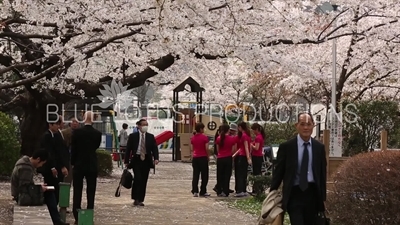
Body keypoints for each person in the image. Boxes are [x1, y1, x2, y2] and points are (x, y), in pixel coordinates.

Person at [270, 112, 327, 225]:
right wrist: (272, 192)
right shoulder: (287, 147)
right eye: (302, 124)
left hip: (313, 194)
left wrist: (323, 198)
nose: (305, 127)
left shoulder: (319, 148)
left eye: (308, 124)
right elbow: (279, 172)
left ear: (313, 125)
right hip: (294, 193)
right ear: (296, 125)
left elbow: (322, 173)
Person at [11, 149, 68, 225]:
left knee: (48, 192)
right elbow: (24, 188)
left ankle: (56, 219)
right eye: (42, 163)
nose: (41, 166)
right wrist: (40, 189)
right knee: (49, 194)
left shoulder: (26, 163)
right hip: (22, 197)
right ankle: (56, 220)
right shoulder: (25, 167)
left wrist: (39, 187)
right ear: (38, 159)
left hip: (22, 194)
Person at [71, 111, 102, 224]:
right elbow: (96, 146)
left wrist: (73, 162)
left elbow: (73, 149)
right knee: (91, 190)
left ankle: (77, 215)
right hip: (91, 164)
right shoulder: (97, 134)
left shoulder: (77, 132)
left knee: (77, 190)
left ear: (83, 119)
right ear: (93, 120)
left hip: (79, 164)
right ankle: (89, 213)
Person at [124, 119, 159, 206]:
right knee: (137, 178)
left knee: (144, 180)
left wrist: (156, 158)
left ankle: (141, 199)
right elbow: (128, 149)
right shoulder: (133, 136)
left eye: (146, 124)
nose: (145, 126)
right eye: (143, 124)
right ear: (139, 126)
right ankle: (135, 198)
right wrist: (126, 161)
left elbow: (154, 148)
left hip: (146, 160)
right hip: (136, 159)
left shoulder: (150, 137)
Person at [39, 115, 69, 203]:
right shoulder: (47, 136)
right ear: (50, 125)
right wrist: (52, 167)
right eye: (56, 124)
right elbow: (49, 153)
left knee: (56, 188)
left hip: (54, 166)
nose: (57, 126)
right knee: (53, 188)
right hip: (50, 168)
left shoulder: (53, 135)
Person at [215, 124, 237, 197]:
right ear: (228, 130)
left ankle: (219, 191)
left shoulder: (218, 138)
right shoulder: (231, 139)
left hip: (220, 158)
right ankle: (225, 191)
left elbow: (218, 150)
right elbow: (234, 150)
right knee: (227, 175)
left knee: (219, 175)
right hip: (228, 158)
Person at [190, 122, 210, 197]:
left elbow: (192, 149)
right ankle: (203, 191)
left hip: (195, 157)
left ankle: (195, 191)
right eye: (203, 128)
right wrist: (208, 156)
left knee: (196, 175)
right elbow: (207, 148)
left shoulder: (193, 138)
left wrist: (193, 156)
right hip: (203, 157)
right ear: (201, 129)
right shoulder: (205, 137)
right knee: (204, 175)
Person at [234, 122, 252, 197]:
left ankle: (240, 190)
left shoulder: (244, 136)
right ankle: (244, 190)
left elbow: (246, 147)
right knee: (244, 173)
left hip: (243, 156)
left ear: (240, 127)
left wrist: (248, 157)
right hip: (243, 155)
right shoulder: (248, 135)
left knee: (240, 174)